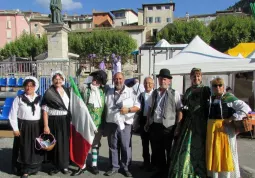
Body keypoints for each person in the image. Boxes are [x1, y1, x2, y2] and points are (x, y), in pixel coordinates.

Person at [168, 68, 211, 178]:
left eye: (198, 76)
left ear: (201, 77)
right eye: (194, 76)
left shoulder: (205, 89)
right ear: (191, 77)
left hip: (201, 123)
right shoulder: (188, 90)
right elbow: (183, 108)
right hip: (188, 122)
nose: (196, 78)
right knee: (185, 146)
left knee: (200, 147)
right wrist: (179, 125)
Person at [206, 77, 251, 178]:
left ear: (223, 87)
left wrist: (232, 118)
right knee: (215, 155)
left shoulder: (229, 97)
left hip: (225, 131)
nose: (217, 87)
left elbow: (246, 108)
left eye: (220, 85)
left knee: (227, 154)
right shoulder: (211, 99)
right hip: (213, 132)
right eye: (215, 85)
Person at [145, 68, 183, 178]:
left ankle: (170, 172)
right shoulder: (155, 93)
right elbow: (150, 108)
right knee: (158, 150)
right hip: (155, 125)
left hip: (169, 126)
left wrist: (178, 126)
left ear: (169, 81)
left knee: (169, 150)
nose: (162, 81)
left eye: (165, 79)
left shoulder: (175, 93)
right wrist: (148, 122)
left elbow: (179, 110)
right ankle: (161, 171)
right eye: (161, 79)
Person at [104, 72, 140, 177]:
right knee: (113, 147)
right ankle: (114, 167)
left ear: (123, 79)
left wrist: (128, 110)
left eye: (120, 79)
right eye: (116, 79)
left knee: (125, 146)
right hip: (112, 123)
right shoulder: (109, 91)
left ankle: (126, 168)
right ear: (113, 80)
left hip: (125, 124)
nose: (118, 81)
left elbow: (138, 106)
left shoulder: (130, 91)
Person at [72, 70, 107, 176]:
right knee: (85, 143)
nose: (95, 81)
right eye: (94, 78)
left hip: (98, 123)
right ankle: (82, 165)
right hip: (86, 122)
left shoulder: (103, 91)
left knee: (95, 145)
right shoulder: (84, 88)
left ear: (101, 82)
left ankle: (94, 164)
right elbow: (75, 95)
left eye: (98, 79)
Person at [9, 76, 43, 178]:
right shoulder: (19, 99)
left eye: (31, 86)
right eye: (26, 86)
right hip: (23, 126)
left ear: (34, 87)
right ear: (24, 87)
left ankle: (34, 168)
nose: (28, 88)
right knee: (24, 148)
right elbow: (12, 114)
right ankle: (24, 170)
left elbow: (44, 112)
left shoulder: (40, 99)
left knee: (35, 147)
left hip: (36, 126)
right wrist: (15, 128)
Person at [42, 71, 71, 175]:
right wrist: (46, 125)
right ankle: (55, 166)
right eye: (56, 79)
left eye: (60, 79)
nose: (58, 81)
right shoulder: (49, 92)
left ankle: (64, 165)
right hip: (54, 120)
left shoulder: (67, 90)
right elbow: (45, 110)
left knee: (65, 143)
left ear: (63, 80)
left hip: (65, 120)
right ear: (52, 80)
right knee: (55, 142)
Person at [137, 76, 155, 171]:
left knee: (154, 143)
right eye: (145, 83)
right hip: (143, 120)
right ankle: (146, 163)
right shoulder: (141, 95)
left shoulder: (156, 94)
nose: (147, 85)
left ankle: (153, 163)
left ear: (153, 84)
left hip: (153, 122)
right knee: (144, 144)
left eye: (149, 83)